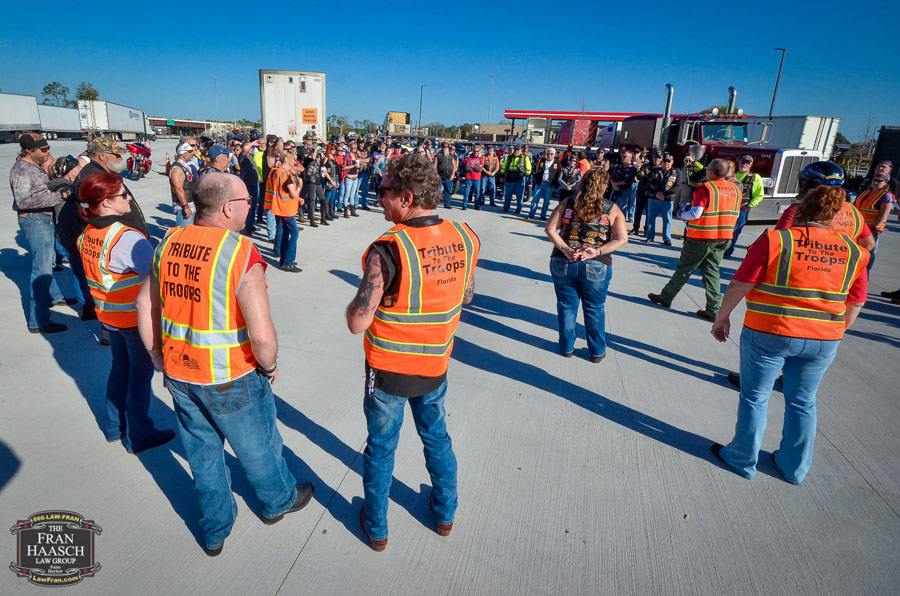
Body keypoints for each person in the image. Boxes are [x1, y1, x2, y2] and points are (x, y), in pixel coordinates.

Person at [136, 172, 314, 556]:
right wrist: (269, 367)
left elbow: (144, 303)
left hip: (180, 371)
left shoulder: (168, 241)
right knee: (258, 447)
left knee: (203, 454)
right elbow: (262, 336)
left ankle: (215, 528)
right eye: (248, 200)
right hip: (230, 374)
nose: (252, 205)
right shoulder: (240, 251)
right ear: (228, 208)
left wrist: (156, 355)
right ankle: (277, 501)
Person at [346, 154, 480, 552]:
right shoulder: (465, 236)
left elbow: (357, 322)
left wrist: (356, 304)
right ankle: (445, 514)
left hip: (389, 370)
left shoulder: (388, 249)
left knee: (381, 448)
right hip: (435, 365)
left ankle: (377, 528)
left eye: (384, 191)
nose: (379, 198)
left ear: (406, 198)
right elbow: (466, 296)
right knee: (437, 439)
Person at [710, 185, 869, 485]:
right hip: (824, 339)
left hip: (771, 332)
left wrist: (722, 318)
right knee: (803, 402)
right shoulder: (854, 252)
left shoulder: (777, 240)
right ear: (835, 215)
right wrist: (836, 331)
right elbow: (857, 302)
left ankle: (742, 458)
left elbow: (740, 284)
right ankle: (793, 468)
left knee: (755, 397)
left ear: (800, 208)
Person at [77, 172, 175, 454]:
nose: (129, 198)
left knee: (120, 370)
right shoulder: (127, 238)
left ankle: (113, 427)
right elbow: (159, 277)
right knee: (139, 378)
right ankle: (140, 435)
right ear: (106, 203)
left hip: (109, 318)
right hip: (134, 321)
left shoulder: (88, 234)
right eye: (123, 194)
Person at [545, 168, 627, 361]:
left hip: (564, 260)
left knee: (567, 305)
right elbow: (622, 239)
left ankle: (566, 347)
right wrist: (596, 251)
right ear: (604, 186)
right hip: (596, 263)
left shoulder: (567, 203)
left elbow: (550, 229)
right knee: (594, 308)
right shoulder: (612, 209)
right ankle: (597, 351)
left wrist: (566, 249)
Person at [648, 158, 740, 321]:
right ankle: (713, 309)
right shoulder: (735, 189)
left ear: (711, 172)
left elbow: (696, 213)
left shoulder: (707, 188)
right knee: (712, 272)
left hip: (702, 237)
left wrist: (682, 214)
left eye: (708, 169)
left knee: (685, 268)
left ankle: (666, 297)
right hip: (724, 237)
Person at [9, 133, 73, 333]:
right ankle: (38, 321)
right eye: (43, 149)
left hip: (42, 218)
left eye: (48, 148)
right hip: (35, 220)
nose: (47, 152)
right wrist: (59, 196)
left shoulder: (34, 167)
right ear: (29, 151)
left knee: (48, 262)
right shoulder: (22, 170)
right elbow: (22, 201)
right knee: (42, 270)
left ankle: (55, 297)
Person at [724, 155, 765, 259]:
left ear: (751, 164)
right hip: (728, 208)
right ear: (739, 162)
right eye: (743, 162)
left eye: (748, 162)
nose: (745, 164)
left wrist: (749, 206)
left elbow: (759, 195)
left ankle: (728, 252)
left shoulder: (755, 177)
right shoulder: (732, 175)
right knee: (725, 230)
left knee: (735, 231)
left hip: (742, 209)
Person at [269, 152, 304, 272]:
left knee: (284, 232)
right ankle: (289, 262)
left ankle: (283, 259)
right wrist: (300, 186)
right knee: (294, 233)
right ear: (286, 160)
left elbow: (282, 190)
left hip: (278, 207)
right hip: (286, 209)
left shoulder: (277, 172)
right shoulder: (287, 175)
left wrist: (297, 197)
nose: (294, 161)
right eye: (292, 159)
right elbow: (293, 193)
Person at [855, 173, 895, 272]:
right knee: (857, 250)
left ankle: (866, 272)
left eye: (879, 181)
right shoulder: (865, 193)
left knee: (869, 251)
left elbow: (884, 214)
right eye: (874, 180)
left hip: (872, 229)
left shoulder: (886, 195)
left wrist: (875, 228)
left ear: (885, 183)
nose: (875, 182)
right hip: (859, 227)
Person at [645, 153, 678, 245]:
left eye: (669, 161)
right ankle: (650, 236)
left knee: (667, 219)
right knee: (651, 218)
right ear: (662, 162)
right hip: (653, 197)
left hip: (667, 199)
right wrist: (657, 193)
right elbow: (648, 183)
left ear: (672, 162)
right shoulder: (655, 170)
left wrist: (664, 194)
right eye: (665, 161)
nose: (667, 163)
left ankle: (667, 238)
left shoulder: (675, 172)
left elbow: (677, 187)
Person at [169, 142, 198, 226]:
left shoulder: (185, 166)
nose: (192, 153)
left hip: (190, 204)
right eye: (189, 151)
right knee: (185, 232)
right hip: (183, 207)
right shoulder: (177, 169)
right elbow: (178, 189)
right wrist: (186, 207)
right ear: (182, 153)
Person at [632, 151, 660, 235]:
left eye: (658, 158)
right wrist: (643, 175)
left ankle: (646, 230)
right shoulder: (646, 165)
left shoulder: (660, 169)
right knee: (638, 210)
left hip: (651, 193)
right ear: (653, 157)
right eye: (655, 157)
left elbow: (656, 180)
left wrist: (646, 176)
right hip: (641, 191)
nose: (656, 159)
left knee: (649, 213)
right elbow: (639, 176)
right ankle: (635, 228)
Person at [529, 148, 560, 220]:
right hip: (540, 183)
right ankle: (531, 215)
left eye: (551, 154)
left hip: (550, 184)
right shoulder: (541, 161)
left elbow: (559, 173)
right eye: (548, 154)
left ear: (554, 155)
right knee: (535, 199)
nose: (550, 155)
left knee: (546, 201)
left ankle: (543, 216)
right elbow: (536, 171)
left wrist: (555, 183)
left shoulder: (557, 163)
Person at [237, 141, 260, 235]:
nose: (251, 148)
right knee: (248, 208)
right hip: (247, 186)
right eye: (250, 147)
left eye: (252, 147)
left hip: (254, 185)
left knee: (253, 207)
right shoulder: (243, 157)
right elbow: (244, 149)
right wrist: (253, 142)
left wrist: (257, 175)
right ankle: (245, 227)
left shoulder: (250, 157)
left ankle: (250, 225)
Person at [609, 149, 638, 222]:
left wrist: (617, 184)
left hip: (626, 189)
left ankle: (623, 220)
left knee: (624, 206)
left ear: (630, 158)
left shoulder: (633, 168)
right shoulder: (618, 167)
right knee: (611, 204)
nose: (622, 158)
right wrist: (613, 184)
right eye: (622, 156)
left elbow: (628, 181)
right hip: (615, 188)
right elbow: (612, 177)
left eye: (625, 157)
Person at [501, 146, 532, 214]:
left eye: (518, 149)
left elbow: (529, 168)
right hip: (509, 178)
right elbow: (504, 167)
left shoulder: (525, 158)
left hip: (519, 179)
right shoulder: (509, 157)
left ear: (521, 150)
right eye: (515, 149)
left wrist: (526, 174)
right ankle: (506, 208)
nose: (516, 151)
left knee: (519, 195)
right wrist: (502, 175)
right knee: (508, 195)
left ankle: (519, 209)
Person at [340, 143, 362, 217]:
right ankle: (345, 211)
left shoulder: (356, 155)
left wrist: (358, 169)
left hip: (355, 177)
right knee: (347, 194)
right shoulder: (347, 156)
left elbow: (357, 167)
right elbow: (343, 167)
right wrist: (353, 165)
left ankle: (352, 211)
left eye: (355, 148)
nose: (354, 149)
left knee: (353, 194)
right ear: (350, 148)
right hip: (349, 177)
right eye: (352, 148)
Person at [434, 142, 458, 209]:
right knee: (438, 191)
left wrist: (453, 174)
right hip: (440, 176)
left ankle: (447, 204)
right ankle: (435, 203)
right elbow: (434, 166)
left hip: (448, 176)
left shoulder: (451, 156)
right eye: (444, 147)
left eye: (447, 147)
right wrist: (436, 175)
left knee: (447, 190)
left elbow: (454, 166)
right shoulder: (438, 155)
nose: (446, 148)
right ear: (442, 147)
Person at [461, 144, 484, 210]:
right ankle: (464, 205)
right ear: (473, 151)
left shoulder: (480, 159)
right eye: (474, 151)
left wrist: (473, 166)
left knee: (477, 193)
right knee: (467, 192)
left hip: (477, 179)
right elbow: (467, 168)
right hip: (469, 178)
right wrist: (475, 167)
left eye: (477, 151)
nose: (476, 152)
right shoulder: (469, 158)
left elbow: (479, 169)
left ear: (479, 151)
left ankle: (477, 206)